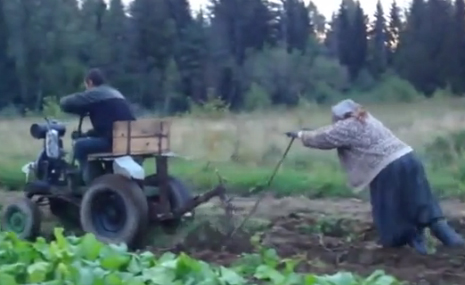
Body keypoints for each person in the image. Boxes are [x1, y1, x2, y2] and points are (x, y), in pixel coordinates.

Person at [285, 99, 464, 254]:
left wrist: (300, 135)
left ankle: (410, 246)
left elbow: (324, 138)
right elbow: (331, 132)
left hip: (387, 168)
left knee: (390, 211)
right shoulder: (368, 119)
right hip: (409, 158)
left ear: (340, 116)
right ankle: (451, 240)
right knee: (422, 202)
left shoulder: (348, 126)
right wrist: (310, 132)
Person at [60, 68, 135, 184]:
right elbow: (107, 124)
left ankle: (88, 179)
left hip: (112, 142)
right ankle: (103, 175)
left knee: (79, 145)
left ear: (90, 82)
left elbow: (66, 103)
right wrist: (88, 134)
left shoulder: (96, 93)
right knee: (85, 139)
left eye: (86, 86)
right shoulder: (116, 94)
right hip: (127, 140)